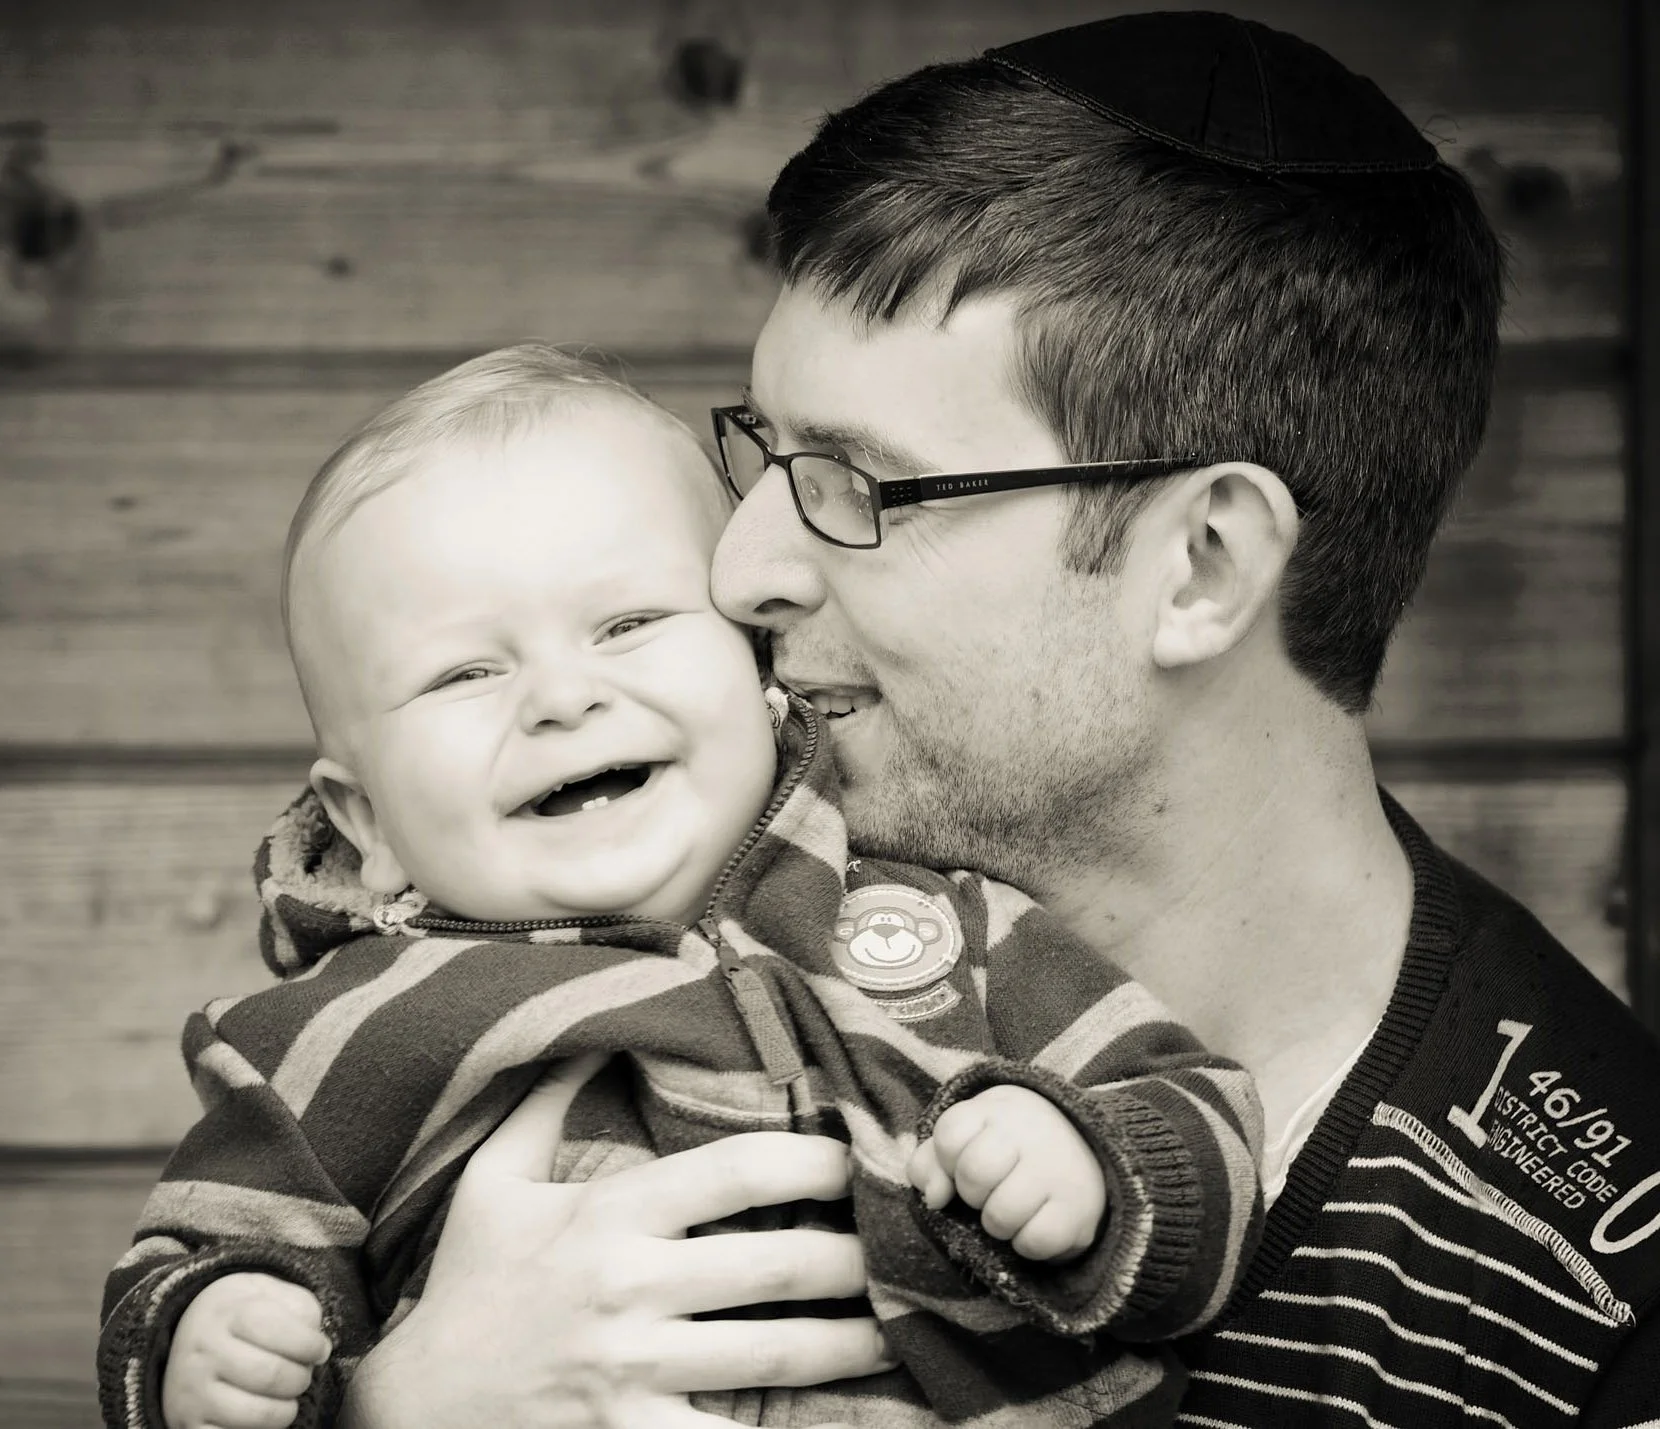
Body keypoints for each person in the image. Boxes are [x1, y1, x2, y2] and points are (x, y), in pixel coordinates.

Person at [329, 11, 1660, 1429]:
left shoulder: (1584, 1307)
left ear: (1199, 565)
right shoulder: (629, 910)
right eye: (766, 455)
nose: (742, 568)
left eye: (859, 484)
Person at [97, 343, 1265, 1429]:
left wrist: (1094, 1177)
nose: (563, 697)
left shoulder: (946, 930)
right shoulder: (334, 1041)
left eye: (630, 621)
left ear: (758, 671)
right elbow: (201, 1255)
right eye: (465, 671)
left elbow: (1198, 1120)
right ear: (366, 823)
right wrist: (215, 1336)